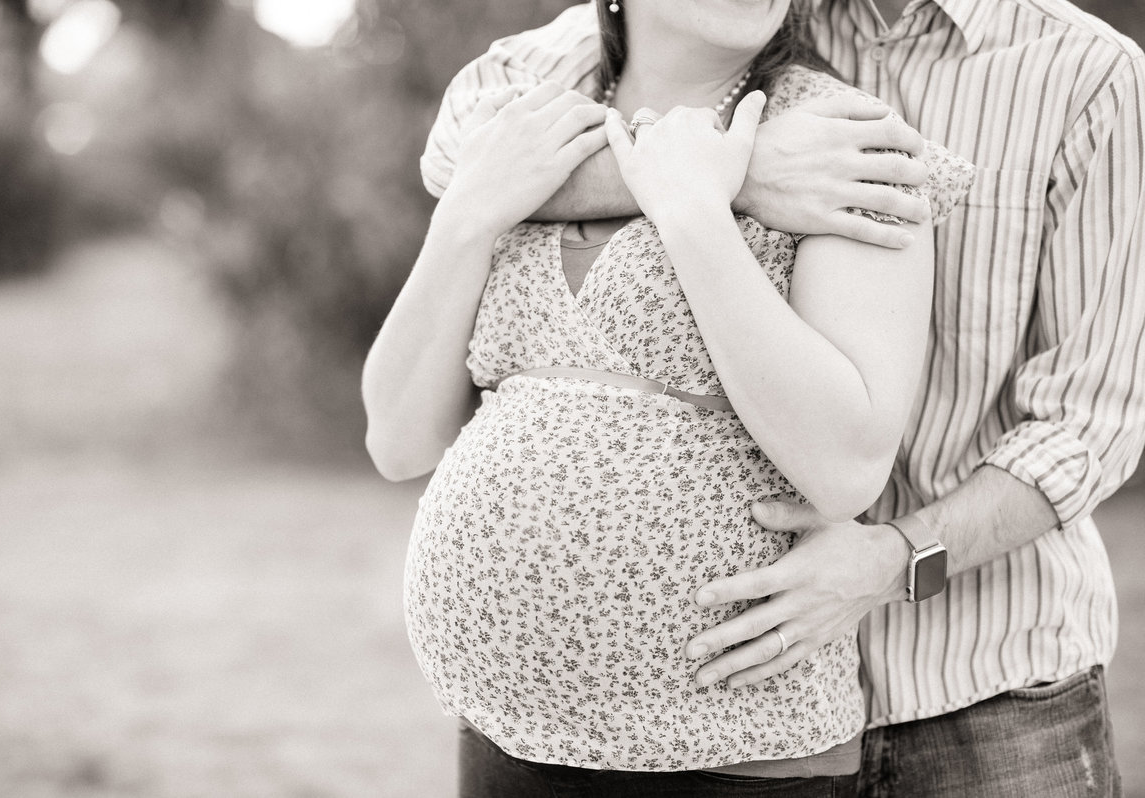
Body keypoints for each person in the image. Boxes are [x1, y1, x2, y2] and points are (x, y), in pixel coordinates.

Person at [420, 0, 1145, 796]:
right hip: (715, 699)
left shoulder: (1089, 74)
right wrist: (746, 168)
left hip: (980, 682)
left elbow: (1087, 421)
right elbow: (466, 149)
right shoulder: (746, 14)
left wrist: (897, 559)